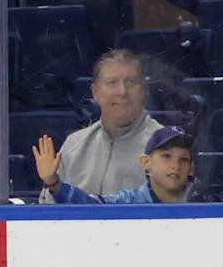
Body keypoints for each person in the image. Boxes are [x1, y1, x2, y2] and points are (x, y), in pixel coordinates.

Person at [39, 49, 162, 203]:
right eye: (112, 83)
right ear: (95, 92)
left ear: (143, 90)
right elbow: (47, 213)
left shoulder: (165, 145)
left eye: (130, 82)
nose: (122, 92)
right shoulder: (74, 145)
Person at [34, 126, 219, 203]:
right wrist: (54, 183)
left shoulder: (206, 200)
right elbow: (92, 206)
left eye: (184, 159)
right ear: (145, 162)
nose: (175, 165)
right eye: (166, 156)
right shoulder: (130, 202)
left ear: (191, 168)